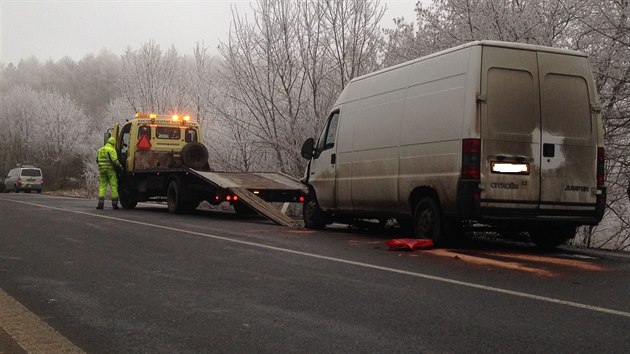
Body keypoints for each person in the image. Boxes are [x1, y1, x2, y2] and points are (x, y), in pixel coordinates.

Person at [96, 136, 123, 209]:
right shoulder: (111, 150)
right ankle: (114, 204)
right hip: (110, 171)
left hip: (102, 171)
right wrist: (120, 166)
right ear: (113, 144)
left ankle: (100, 204)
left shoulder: (100, 150)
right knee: (114, 186)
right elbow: (115, 161)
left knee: (102, 187)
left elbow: (97, 161)